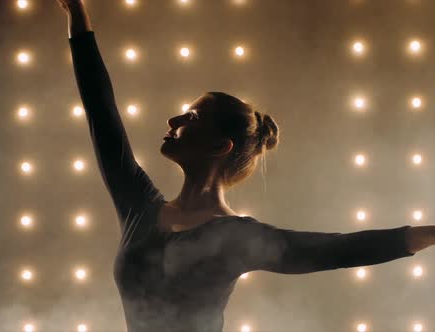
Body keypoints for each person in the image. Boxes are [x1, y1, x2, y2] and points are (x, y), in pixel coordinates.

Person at [56, 1, 435, 331]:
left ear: (222, 145)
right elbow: (102, 115)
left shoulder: (237, 238)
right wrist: (78, 12)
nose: (172, 121)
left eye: (190, 117)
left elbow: (338, 249)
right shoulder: (139, 207)